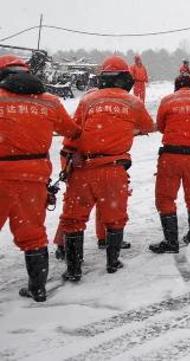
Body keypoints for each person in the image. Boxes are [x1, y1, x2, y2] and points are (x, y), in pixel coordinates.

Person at [59, 55, 154, 281]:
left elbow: (74, 129)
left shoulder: (88, 100)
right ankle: (113, 262)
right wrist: (125, 129)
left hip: (83, 168)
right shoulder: (133, 102)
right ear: (125, 79)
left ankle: (73, 268)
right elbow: (148, 126)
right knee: (115, 217)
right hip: (113, 168)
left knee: (73, 219)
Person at [0, 55, 80, 302]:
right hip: (33, 176)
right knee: (33, 233)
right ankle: (38, 287)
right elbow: (73, 131)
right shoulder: (50, 102)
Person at [149, 75, 190, 253]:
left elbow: (161, 126)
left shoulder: (167, 100)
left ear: (176, 87)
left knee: (166, 197)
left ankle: (171, 241)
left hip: (171, 155)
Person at [52, 126, 132, 259]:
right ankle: (64, 245)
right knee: (76, 211)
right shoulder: (88, 119)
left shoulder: (89, 117)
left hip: (82, 163)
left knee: (77, 210)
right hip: (82, 164)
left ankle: (101, 239)